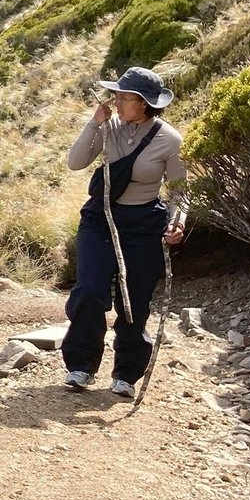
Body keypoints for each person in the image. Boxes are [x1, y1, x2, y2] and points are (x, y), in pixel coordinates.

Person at [63, 66, 187, 396]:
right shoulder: (109, 126)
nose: (116, 101)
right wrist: (94, 123)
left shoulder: (169, 140)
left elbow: (178, 191)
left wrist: (178, 221)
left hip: (144, 224)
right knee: (89, 290)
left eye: (123, 97)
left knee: (135, 302)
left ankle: (126, 375)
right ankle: (80, 366)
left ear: (145, 103)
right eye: (116, 95)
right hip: (100, 219)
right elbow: (75, 162)